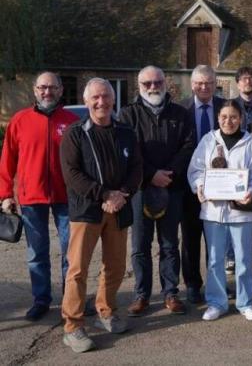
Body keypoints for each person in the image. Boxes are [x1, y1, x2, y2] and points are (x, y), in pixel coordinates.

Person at [60, 78, 142, 353]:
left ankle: (106, 311)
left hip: (118, 208)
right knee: (78, 269)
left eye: (106, 96)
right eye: (95, 97)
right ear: (86, 101)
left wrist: (122, 194)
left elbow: (137, 169)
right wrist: (104, 195)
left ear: (113, 99)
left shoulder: (125, 131)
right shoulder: (75, 133)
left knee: (116, 266)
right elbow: (72, 175)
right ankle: (73, 326)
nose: (101, 102)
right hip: (86, 210)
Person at [0, 72, 78, 321]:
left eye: (52, 88)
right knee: (37, 253)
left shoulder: (73, 121)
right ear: (34, 90)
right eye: (42, 88)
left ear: (61, 89)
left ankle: (71, 299)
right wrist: (5, 194)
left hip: (67, 197)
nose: (47, 92)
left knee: (71, 252)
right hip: (31, 197)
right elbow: (7, 160)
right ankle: (41, 299)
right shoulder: (20, 120)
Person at [119, 65, 195, 317]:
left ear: (166, 83)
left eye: (157, 82)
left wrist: (168, 174)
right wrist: (152, 174)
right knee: (140, 245)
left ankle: (171, 293)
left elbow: (188, 146)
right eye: (147, 83)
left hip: (172, 188)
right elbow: (128, 151)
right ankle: (141, 295)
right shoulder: (128, 115)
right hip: (140, 189)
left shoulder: (181, 114)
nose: (153, 87)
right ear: (138, 86)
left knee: (170, 244)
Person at [187, 99, 252, 321]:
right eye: (224, 117)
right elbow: (195, 170)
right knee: (215, 260)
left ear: (240, 119)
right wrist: (200, 187)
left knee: (243, 259)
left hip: (242, 211)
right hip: (213, 211)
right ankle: (217, 302)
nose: (228, 121)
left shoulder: (250, 142)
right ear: (218, 118)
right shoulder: (208, 141)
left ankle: (246, 302)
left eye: (233, 117)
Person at [179, 64, 225, 304]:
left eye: (208, 82)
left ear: (215, 82)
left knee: (215, 239)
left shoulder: (225, 108)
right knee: (190, 239)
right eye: (199, 82)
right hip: (190, 185)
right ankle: (193, 285)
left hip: (220, 185)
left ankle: (216, 283)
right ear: (192, 84)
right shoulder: (181, 109)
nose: (204, 87)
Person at [234, 66, 252, 132]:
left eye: (251, 78)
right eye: (244, 79)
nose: (248, 81)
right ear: (238, 85)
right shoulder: (231, 106)